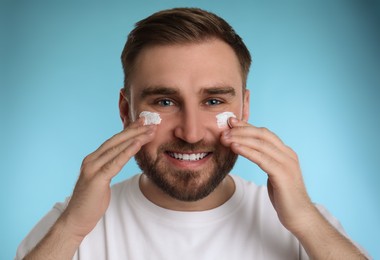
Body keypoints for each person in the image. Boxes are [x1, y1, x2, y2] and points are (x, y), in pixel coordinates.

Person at [16, 7, 369, 260]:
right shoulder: (70, 224)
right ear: (127, 111)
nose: (191, 132)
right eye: (165, 101)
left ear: (244, 109)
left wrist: (306, 222)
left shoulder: (305, 226)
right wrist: (72, 230)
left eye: (214, 100)